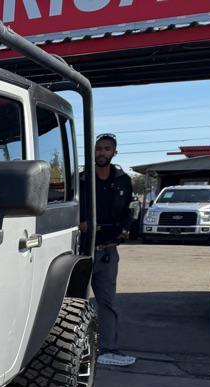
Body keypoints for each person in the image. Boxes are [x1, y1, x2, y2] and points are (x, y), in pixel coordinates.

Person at [80, 133, 136, 367]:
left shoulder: (123, 180)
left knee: (107, 302)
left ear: (114, 152)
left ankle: (108, 349)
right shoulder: (82, 180)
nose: (102, 153)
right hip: (81, 251)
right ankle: (75, 349)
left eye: (107, 149)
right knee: (75, 302)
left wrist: (125, 229)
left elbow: (128, 210)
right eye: (98, 149)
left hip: (107, 251)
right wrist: (79, 222)